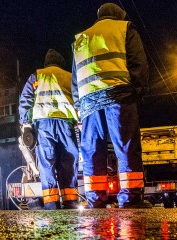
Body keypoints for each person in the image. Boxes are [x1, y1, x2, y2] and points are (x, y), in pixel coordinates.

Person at [71, 3, 149, 208]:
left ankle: (96, 200)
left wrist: (79, 105)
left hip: (88, 103)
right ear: (119, 15)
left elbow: (75, 78)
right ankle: (130, 198)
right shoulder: (124, 28)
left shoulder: (81, 38)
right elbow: (138, 63)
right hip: (119, 95)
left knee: (92, 151)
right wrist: (137, 91)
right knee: (126, 146)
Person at [19, 49, 80, 210]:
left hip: (43, 125)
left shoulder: (37, 76)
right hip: (66, 123)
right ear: (61, 62)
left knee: (47, 164)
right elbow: (79, 98)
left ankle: (51, 204)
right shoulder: (69, 76)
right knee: (68, 162)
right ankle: (70, 201)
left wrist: (26, 125)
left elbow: (25, 100)